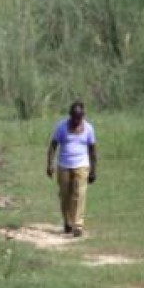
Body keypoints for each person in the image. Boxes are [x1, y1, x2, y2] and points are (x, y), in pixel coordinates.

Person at [46, 101, 97, 237]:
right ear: (70, 116)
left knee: (79, 194)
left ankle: (78, 225)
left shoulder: (89, 129)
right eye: (74, 117)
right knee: (65, 195)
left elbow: (92, 150)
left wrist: (93, 170)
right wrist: (50, 164)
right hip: (64, 167)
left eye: (79, 117)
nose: (76, 120)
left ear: (83, 116)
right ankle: (67, 221)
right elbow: (52, 146)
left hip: (82, 166)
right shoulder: (62, 127)